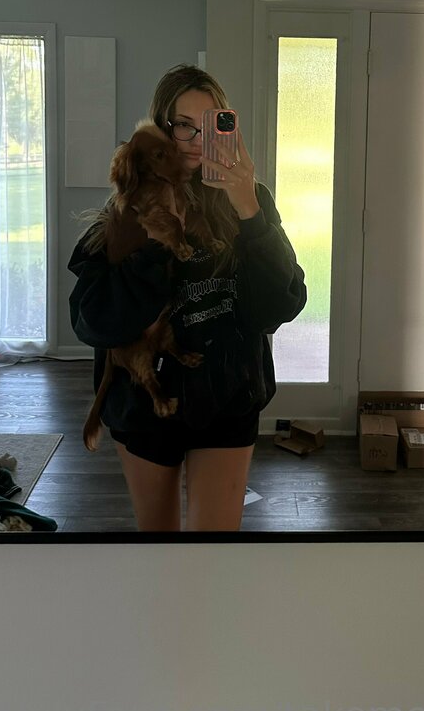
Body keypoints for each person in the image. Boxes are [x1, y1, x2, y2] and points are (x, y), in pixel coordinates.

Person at [68, 63, 307, 532]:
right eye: (184, 125)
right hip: (146, 401)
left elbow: (281, 305)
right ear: (163, 128)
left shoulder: (250, 201)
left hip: (228, 395)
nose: (198, 140)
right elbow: (93, 320)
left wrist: (249, 209)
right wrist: (155, 236)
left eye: (212, 124)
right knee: (159, 547)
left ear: (228, 127)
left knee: (212, 552)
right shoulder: (128, 207)